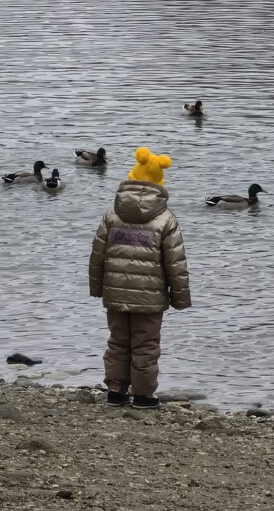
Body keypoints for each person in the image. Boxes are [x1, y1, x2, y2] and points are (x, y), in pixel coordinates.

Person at [88, 146, 191, 409]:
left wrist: (97, 288)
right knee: (145, 344)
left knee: (118, 341)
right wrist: (180, 299)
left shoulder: (112, 213)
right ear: (159, 183)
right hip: (150, 296)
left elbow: (97, 254)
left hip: (115, 292)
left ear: (131, 177)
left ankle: (116, 390)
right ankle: (144, 396)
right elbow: (175, 264)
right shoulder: (166, 219)